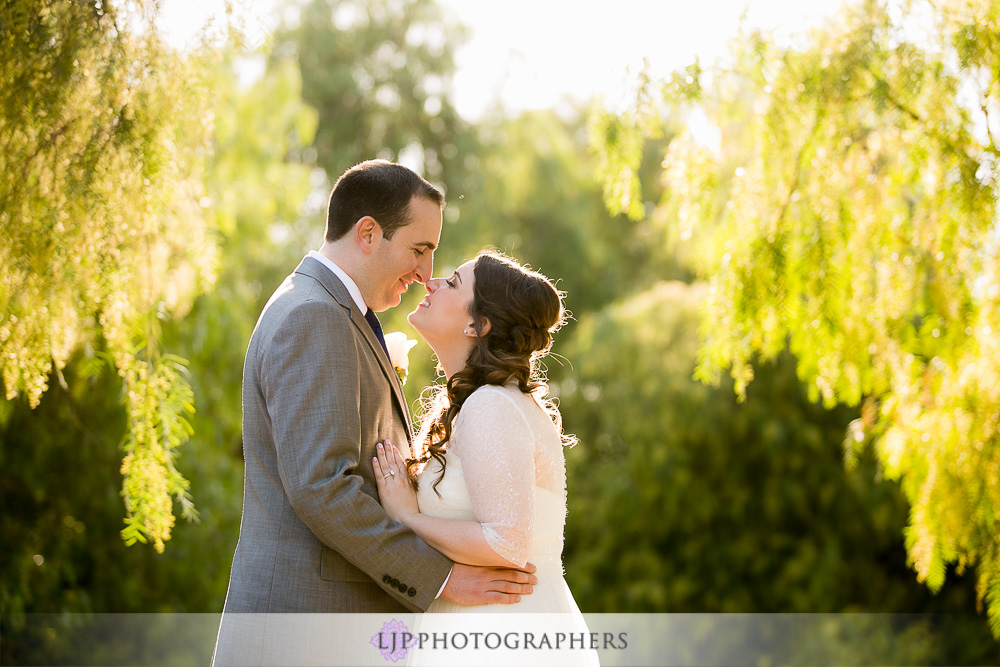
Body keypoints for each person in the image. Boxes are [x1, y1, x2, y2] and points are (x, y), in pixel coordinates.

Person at [213, 161, 537, 666]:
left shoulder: (336, 313)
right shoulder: (314, 317)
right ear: (368, 233)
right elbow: (323, 488)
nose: (426, 274)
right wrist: (444, 579)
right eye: (419, 250)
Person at [374, 250, 599, 666]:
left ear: (478, 325)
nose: (432, 283)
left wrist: (407, 518)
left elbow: (506, 543)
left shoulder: (491, 405)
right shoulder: (486, 402)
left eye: (453, 282)